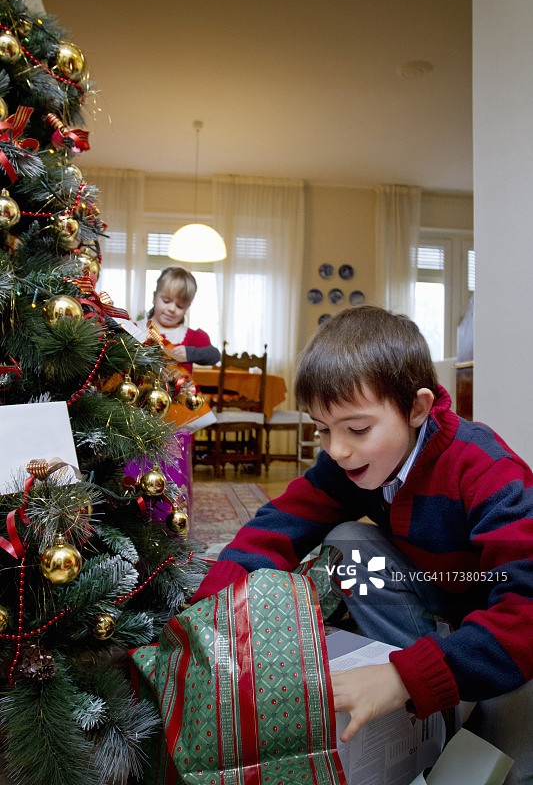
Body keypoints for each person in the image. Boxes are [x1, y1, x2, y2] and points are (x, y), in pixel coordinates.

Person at [190, 305, 533, 775]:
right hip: (439, 587)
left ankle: (422, 680)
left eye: (356, 429)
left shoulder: (487, 470)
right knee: (351, 541)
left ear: (417, 409)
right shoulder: (349, 463)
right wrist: (213, 595)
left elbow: (526, 607)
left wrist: (404, 678)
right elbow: (287, 517)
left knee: (509, 751)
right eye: (323, 430)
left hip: (495, 600)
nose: (337, 449)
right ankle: (426, 708)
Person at [137, 266, 220, 376]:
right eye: (166, 301)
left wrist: (191, 354)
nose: (172, 309)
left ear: (186, 308)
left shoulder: (189, 336)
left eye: (180, 306)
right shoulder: (135, 329)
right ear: (154, 297)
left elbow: (215, 355)